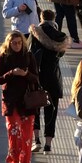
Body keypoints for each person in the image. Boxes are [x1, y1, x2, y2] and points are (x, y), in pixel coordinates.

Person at [0, 31, 41, 163]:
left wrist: (25, 74)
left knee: (27, 136)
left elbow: (35, 78)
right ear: (8, 44)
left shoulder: (28, 56)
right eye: (14, 43)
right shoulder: (3, 57)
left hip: (27, 102)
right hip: (11, 102)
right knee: (13, 133)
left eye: (19, 42)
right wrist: (11, 73)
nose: (17, 45)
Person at [30, 8, 70, 154]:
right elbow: (61, 54)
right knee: (51, 110)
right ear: (54, 20)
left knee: (35, 108)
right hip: (53, 77)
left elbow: (30, 53)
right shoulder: (61, 37)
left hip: (38, 77)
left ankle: (37, 140)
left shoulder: (35, 33)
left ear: (41, 18)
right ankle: (48, 145)